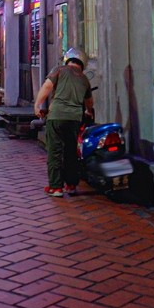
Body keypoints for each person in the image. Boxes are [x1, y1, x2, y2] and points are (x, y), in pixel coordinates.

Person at [34, 47, 93, 197]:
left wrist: (37, 104)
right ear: (82, 63)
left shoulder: (59, 70)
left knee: (55, 151)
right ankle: (71, 185)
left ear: (68, 59)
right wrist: (89, 111)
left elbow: (47, 86)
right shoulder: (84, 79)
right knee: (71, 151)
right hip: (74, 119)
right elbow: (89, 102)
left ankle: (56, 187)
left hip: (56, 117)